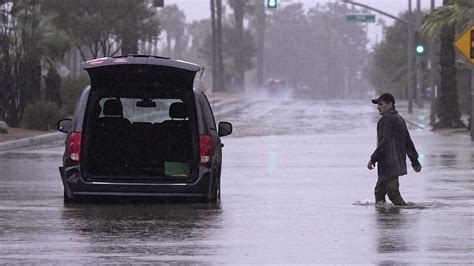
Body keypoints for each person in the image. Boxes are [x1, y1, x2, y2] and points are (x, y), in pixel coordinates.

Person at [367, 93, 422, 206]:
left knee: (393, 194)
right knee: (379, 192)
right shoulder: (399, 119)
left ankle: (399, 220)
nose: (378, 107)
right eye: (378, 104)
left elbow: (384, 142)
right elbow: (408, 141)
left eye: (381, 104)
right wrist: (414, 160)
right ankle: (386, 219)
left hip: (389, 163)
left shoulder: (386, 119)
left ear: (390, 104)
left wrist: (373, 158)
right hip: (396, 162)